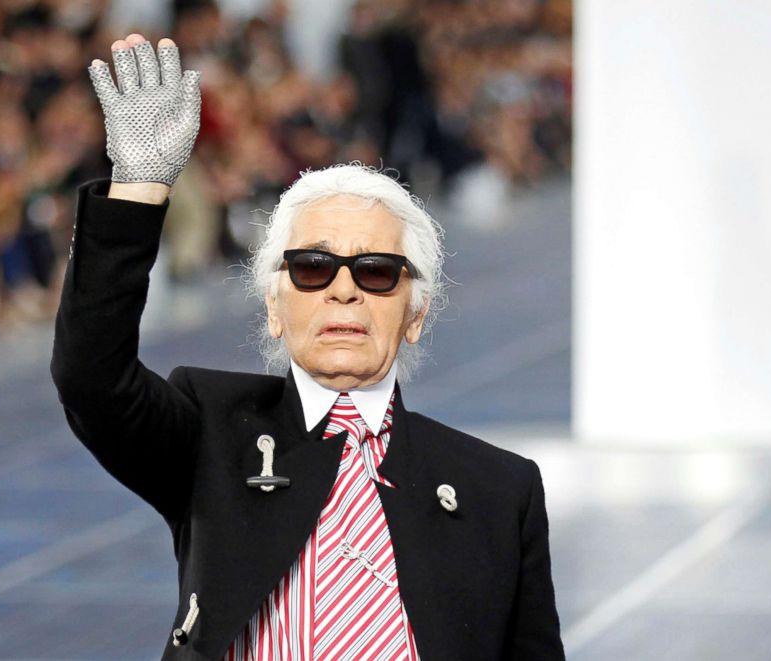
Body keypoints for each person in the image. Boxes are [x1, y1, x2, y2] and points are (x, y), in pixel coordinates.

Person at [51, 33, 565, 660]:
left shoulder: (499, 492)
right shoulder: (209, 430)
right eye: (312, 268)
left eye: (376, 270)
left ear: (416, 313)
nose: (344, 290)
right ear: (274, 305)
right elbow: (90, 378)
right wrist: (137, 188)